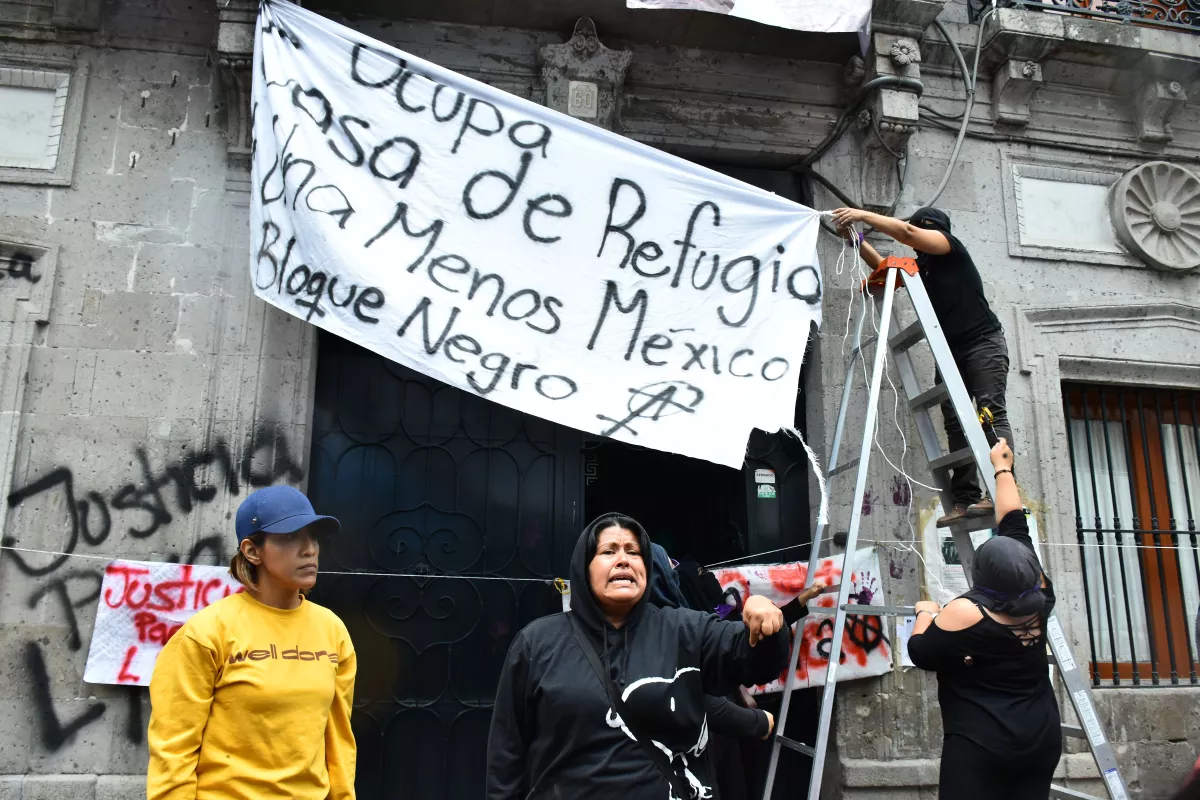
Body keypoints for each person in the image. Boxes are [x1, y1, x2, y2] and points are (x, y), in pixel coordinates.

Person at [486, 513, 791, 799]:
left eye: (634, 552)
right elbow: (507, 755)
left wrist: (766, 627)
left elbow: (750, 659)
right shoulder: (537, 644)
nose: (623, 560)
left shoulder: (684, 629)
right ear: (583, 567)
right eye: (609, 551)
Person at [147, 485, 357, 800]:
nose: (309, 549)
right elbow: (173, 751)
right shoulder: (206, 633)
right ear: (252, 551)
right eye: (289, 538)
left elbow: (338, 740)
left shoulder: (332, 629)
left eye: (312, 537)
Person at [831, 205, 1011, 527]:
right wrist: (856, 239)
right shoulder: (922, 268)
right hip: (952, 351)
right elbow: (887, 270)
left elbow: (909, 233)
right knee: (956, 424)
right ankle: (967, 498)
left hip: (983, 344)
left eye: (919, 231)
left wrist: (863, 215)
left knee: (990, 415)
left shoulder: (951, 248)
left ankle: (1001, 491)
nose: (914, 239)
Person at [907, 438, 1061, 799]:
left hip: (983, 745)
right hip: (1040, 737)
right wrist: (1001, 468)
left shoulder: (966, 613)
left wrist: (924, 613)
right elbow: (1013, 522)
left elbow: (921, 652)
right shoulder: (1039, 591)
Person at [646, 542, 826, 800]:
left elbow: (756, 640)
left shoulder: (706, 627)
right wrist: (755, 721)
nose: (706, 579)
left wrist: (791, 605)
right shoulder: (675, 633)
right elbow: (693, 695)